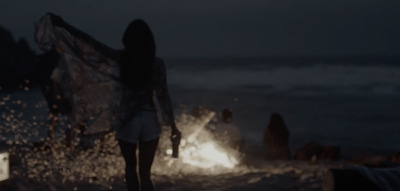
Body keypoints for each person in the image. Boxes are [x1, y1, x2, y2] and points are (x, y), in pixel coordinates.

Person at [116, 19, 181, 191]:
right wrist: (173, 125)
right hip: (149, 117)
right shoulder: (157, 63)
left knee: (130, 168)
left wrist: (64, 26)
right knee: (145, 173)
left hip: (127, 118)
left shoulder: (120, 59)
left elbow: (91, 46)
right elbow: (163, 96)